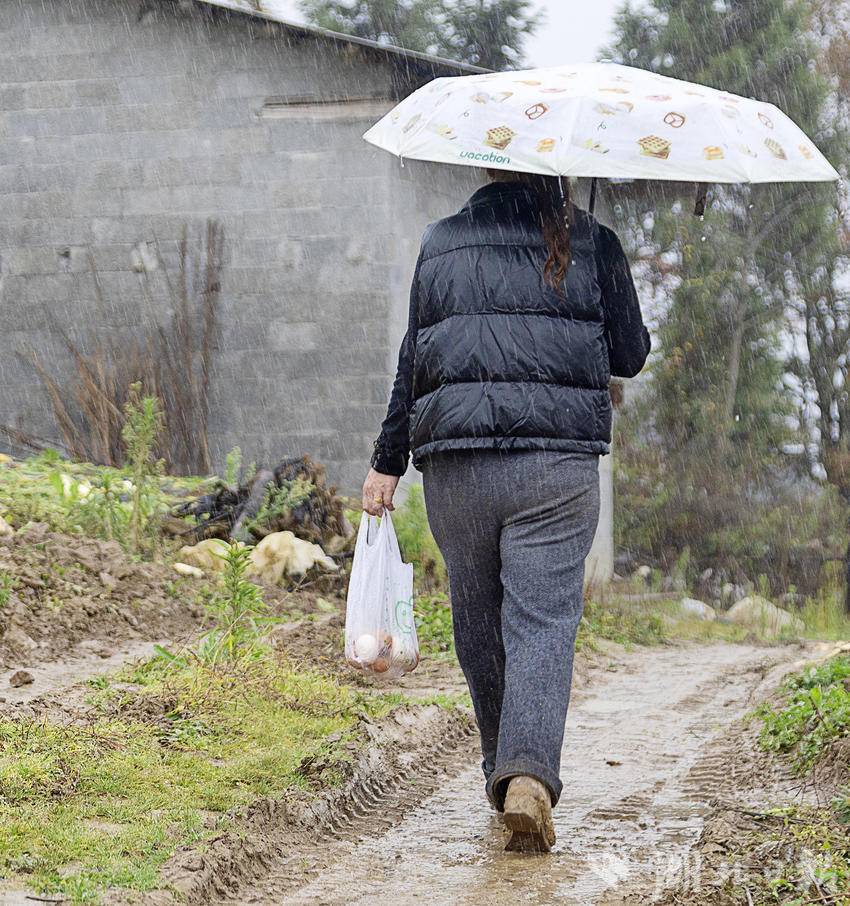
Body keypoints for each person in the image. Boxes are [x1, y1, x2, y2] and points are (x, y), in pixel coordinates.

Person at [361, 169, 650, 852]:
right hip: (556, 466)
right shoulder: (593, 240)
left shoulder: (442, 243)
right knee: (543, 621)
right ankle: (527, 774)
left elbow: (415, 360)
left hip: (458, 466)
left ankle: (505, 769)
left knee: (478, 620)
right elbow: (631, 355)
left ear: (487, 169)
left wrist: (386, 460)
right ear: (561, 174)